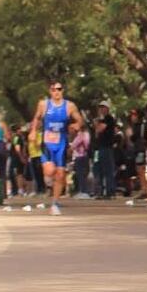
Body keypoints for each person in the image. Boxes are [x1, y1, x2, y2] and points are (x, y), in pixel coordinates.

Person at [29, 81, 85, 215]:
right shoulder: (44, 104)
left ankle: (54, 204)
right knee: (50, 171)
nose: (57, 92)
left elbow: (80, 119)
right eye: (54, 89)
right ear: (50, 91)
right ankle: (50, 181)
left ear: (63, 90)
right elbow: (36, 118)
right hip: (47, 143)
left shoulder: (69, 106)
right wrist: (32, 131)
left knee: (60, 174)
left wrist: (77, 125)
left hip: (62, 143)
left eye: (59, 89)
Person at [93, 101, 118, 199]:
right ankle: (100, 192)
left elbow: (100, 129)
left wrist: (97, 124)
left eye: (103, 107)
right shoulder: (100, 120)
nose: (101, 109)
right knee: (99, 170)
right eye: (100, 107)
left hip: (107, 147)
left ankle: (110, 192)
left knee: (108, 170)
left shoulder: (109, 119)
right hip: (99, 148)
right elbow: (96, 134)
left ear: (107, 108)